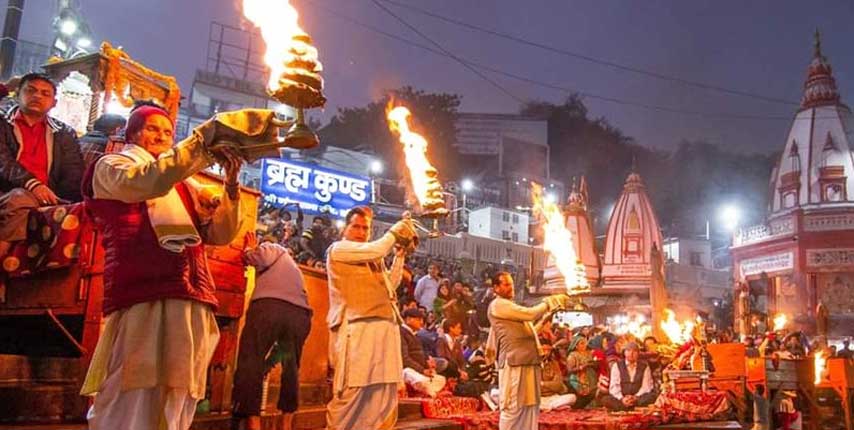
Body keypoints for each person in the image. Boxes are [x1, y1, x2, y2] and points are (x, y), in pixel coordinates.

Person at [80, 106, 287, 429]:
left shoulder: (184, 185)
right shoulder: (112, 166)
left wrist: (231, 185)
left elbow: (219, 234)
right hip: (142, 293)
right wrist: (203, 140)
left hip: (190, 292)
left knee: (179, 389)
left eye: (167, 131)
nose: (161, 136)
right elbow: (150, 180)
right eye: (152, 129)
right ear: (132, 134)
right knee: (133, 384)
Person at [325, 206, 417, 430]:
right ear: (344, 229)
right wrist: (396, 231)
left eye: (365, 228)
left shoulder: (373, 258)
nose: (360, 231)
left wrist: (400, 255)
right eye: (355, 226)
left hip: (384, 331)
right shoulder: (338, 250)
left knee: (382, 398)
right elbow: (377, 249)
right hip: (357, 331)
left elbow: (390, 286)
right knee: (352, 396)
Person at [232, 232, 312, 430]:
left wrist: (250, 249)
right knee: (291, 367)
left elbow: (260, 257)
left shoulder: (275, 248)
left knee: (251, 361)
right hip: (300, 313)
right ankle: (286, 424)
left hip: (269, 307)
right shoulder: (293, 269)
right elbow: (280, 350)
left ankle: (254, 422)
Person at [0, 73, 84, 258]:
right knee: (19, 199)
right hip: (7, 191)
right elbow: (3, 161)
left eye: (45, 94)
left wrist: (69, 202)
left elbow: (73, 173)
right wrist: (32, 184)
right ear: (17, 94)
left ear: (54, 102)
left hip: (47, 196)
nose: (37, 96)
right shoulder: (2, 123)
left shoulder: (64, 133)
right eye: (31, 90)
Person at [487, 271, 568, 430]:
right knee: (513, 408)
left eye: (511, 283)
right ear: (495, 288)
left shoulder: (510, 307)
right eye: (506, 284)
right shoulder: (498, 304)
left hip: (528, 363)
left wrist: (548, 313)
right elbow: (530, 314)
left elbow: (530, 332)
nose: (511, 287)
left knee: (530, 408)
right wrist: (549, 302)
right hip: (514, 363)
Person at [400, 308, 447, 397]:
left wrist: (428, 360)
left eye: (422, 320)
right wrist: (422, 370)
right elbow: (404, 359)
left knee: (441, 379)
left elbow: (420, 352)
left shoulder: (415, 335)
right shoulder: (401, 332)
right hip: (407, 369)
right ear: (408, 319)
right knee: (413, 375)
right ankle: (429, 390)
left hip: (420, 369)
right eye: (418, 320)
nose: (421, 323)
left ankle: (429, 389)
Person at [600, 342, 657, 411]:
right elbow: (614, 386)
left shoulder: (644, 366)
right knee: (605, 399)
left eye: (634, 351)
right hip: (621, 398)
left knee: (652, 396)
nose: (631, 354)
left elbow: (646, 386)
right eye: (628, 351)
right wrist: (622, 398)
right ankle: (627, 406)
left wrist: (635, 397)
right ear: (624, 353)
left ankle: (627, 406)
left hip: (638, 398)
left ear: (638, 354)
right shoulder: (617, 366)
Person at [566, 335, 598, 409]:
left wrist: (593, 363)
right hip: (578, 377)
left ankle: (592, 405)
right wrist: (581, 367)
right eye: (582, 343)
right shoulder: (573, 355)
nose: (584, 345)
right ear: (576, 345)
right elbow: (569, 370)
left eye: (585, 343)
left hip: (590, 375)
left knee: (594, 390)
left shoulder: (588, 353)